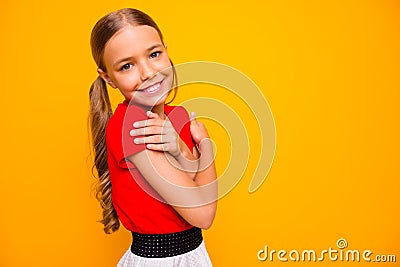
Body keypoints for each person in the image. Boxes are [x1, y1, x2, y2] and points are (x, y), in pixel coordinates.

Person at [88, 8, 218, 266]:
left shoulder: (177, 116)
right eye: (127, 66)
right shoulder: (133, 127)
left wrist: (180, 149)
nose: (147, 73)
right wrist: (206, 147)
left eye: (154, 54)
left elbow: (194, 182)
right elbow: (203, 214)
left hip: (194, 254)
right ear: (108, 78)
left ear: (167, 51)